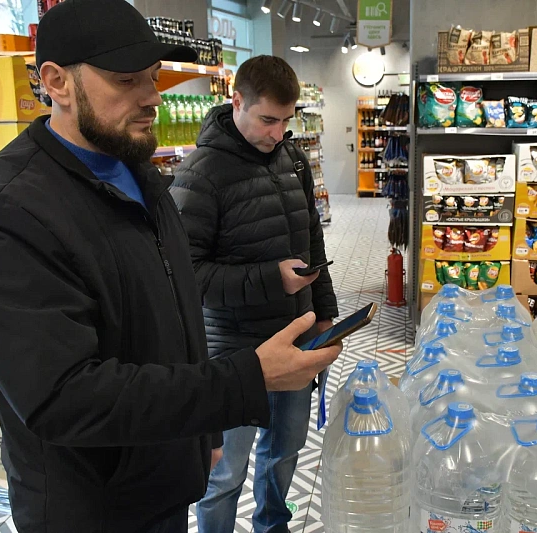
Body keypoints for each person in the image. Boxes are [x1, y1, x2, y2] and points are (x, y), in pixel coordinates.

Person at [0, 1, 340, 532]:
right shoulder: (5, 211)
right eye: (126, 79)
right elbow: (63, 398)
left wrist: (200, 434)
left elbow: (178, 311)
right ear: (57, 82)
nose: (153, 97)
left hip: (164, 477)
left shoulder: (138, 174)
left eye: (153, 77)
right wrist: (242, 381)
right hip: (93, 507)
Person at [170, 55, 338, 533]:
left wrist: (325, 313)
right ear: (237, 101)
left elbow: (313, 242)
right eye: (268, 120)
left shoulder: (293, 159)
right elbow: (186, 277)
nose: (278, 133)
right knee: (224, 474)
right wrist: (271, 279)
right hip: (234, 354)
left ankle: (272, 525)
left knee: (285, 452)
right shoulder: (200, 174)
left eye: (286, 121)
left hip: (298, 338)